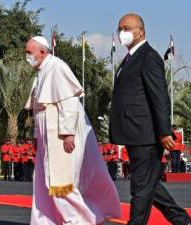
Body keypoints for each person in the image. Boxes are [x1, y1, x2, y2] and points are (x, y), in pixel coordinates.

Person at [25, 36, 120, 225]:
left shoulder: (57, 67)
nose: (26, 56)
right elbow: (38, 110)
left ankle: (78, 220)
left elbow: (69, 103)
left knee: (60, 181)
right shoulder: (41, 72)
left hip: (59, 134)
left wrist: (68, 134)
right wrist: (37, 135)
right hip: (47, 135)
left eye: (29, 52)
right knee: (44, 180)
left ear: (42, 52)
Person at [109, 13, 191, 225]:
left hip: (145, 133)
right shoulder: (130, 58)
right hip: (135, 132)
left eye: (127, 28)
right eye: (120, 29)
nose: (122, 33)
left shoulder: (148, 56)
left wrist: (164, 131)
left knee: (140, 186)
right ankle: (183, 222)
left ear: (141, 31)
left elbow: (160, 96)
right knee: (148, 185)